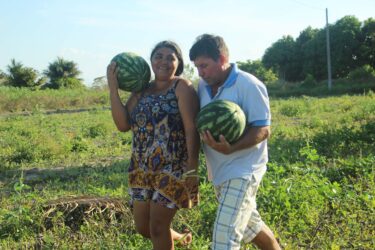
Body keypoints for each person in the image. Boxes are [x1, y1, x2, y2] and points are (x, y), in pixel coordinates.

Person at [189, 34, 281, 250]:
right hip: (219, 171)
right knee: (252, 227)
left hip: (243, 170)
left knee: (224, 238)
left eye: (204, 65)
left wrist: (232, 148)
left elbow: (263, 129)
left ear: (221, 59)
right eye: (197, 67)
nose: (200, 72)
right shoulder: (203, 85)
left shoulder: (248, 84)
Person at [107, 40, 200, 250]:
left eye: (171, 58)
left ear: (179, 63)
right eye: (159, 56)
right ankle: (178, 237)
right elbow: (123, 125)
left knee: (158, 227)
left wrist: (192, 167)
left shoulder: (181, 87)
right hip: (141, 167)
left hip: (173, 167)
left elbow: (191, 129)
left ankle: (168, 237)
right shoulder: (141, 90)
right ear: (151, 61)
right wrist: (113, 90)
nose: (164, 61)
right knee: (144, 228)